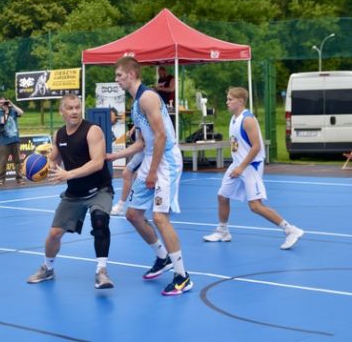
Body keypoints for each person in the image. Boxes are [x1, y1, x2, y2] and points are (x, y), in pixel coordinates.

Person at [112, 56, 192, 296]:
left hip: (165, 160)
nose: (116, 79)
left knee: (160, 218)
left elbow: (161, 137)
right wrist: (113, 156)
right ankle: (162, 257)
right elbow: (141, 142)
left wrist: (154, 171)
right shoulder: (136, 104)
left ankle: (182, 276)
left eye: (119, 75)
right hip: (151, 157)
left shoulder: (147, 97)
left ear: (132, 74)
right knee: (134, 214)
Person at [27, 94, 115, 289]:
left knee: (99, 220)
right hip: (74, 193)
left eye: (77, 107)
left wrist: (68, 174)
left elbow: (97, 162)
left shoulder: (93, 131)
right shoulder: (59, 135)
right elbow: (54, 159)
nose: (75, 111)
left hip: (99, 189)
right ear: (62, 111)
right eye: (70, 108)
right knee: (54, 233)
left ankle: (101, 271)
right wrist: (40, 167)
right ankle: (48, 268)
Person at [203, 87, 304, 249]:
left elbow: (257, 146)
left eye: (230, 99)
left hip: (250, 166)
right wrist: (237, 166)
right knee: (222, 196)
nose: (227, 102)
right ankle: (223, 231)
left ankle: (290, 230)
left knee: (255, 206)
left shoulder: (248, 120)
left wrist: (241, 167)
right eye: (227, 99)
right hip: (237, 165)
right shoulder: (234, 118)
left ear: (241, 101)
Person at [110, 125, 144, 216]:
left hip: (147, 151)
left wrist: (115, 155)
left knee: (128, 173)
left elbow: (140, 145)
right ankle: (124, 206)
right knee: (129, 174)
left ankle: (122, 206)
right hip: (144, 150)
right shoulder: (138, 114)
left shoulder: (148, 113)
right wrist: (133, 129)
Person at [0, 97, 24, 186]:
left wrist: (12, 104)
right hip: (4, 141)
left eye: (4, 102)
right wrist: (6, 112)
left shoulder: (12, 110)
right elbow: (2, 122)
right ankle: (1, 179)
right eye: (0, 103)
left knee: (18, 161)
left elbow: (21, 112)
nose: (2, 104)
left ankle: (19, 179)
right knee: (3, 162)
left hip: (15, 139)